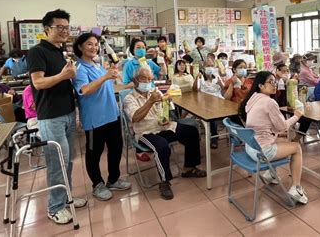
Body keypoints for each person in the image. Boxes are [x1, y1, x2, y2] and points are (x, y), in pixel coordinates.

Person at [27, 9, 87, 225]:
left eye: (66, 27)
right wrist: (63, 75)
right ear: (46, 29)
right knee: (56, 162)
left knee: (67, 161)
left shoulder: (59, 51)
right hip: (51, 117)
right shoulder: (37, 52)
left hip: (68, 114)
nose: (64, 31)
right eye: (59, 27)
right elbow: (38, 83)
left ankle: (66, 197)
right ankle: (55, 207)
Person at [123, 67, 206, 200]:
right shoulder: (129, 98)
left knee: (191, 131)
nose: (147, 82)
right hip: (145, 132)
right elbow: (135, 118)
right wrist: (150, 101)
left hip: (164, 127)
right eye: (144, 79)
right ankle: (164, 182)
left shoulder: (154, 92)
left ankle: (189, 168)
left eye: (150, 79)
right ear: (135, 80)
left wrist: (167, 106)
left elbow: (164, 110)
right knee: (162, 147)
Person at [72, 33, 131, 201]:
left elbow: (106, 85)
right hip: (95, 119)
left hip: (112, 115)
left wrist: (111, 75)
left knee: (116, 148)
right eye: (89, 44)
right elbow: (84, 90)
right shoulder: (79, 68)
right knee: (94, 153)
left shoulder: (97, 65)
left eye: (96, 44)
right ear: (80, 47)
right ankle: (97, 184)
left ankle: (113, 179)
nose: (94, 47)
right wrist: (106, 76)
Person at [240, 71, 308, 204]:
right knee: (296, 148)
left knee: (282, 140)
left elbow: (269, 126)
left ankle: (270, 174)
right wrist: (297, 116)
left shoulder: (252, 99)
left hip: (251, 146)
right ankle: (296, 188)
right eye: (270, 82)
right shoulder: (269, 102)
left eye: (275, 82)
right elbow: (282, 127)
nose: (274, 84)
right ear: (261, 85)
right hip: (261, 152)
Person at [193, 60, 224, 149]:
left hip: (219, 100)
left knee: (232, 112)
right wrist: (196, 78)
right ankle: (214, 136)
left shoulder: (217, 76)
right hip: (206, 102)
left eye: (211, 65)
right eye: (208, 65)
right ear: (203, 67)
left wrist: (220, 83)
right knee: (211, 115)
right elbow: (195, 90)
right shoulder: (201, 77)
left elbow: (223, 89)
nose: (210, 67)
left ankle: (234, 135)